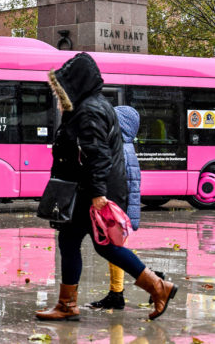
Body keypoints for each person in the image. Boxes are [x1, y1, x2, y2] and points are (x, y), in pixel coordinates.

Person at [36, 52, 178, 321]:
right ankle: (67, 304)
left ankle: (158, 287)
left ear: (75, 83)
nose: (58, 94)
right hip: (84, 191)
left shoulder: (89, 110)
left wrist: (98, 194)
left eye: (62, 87)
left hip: (89, 193)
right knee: (71, 240)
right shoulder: (88, 107)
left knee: (104, 246)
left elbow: (97, 154)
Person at [89, 106, 165, 310]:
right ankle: (117, 294)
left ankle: (153, 280)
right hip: (120, 209)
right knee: (115, 251)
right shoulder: (125, 146)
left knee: (115, 251)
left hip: (117, 209)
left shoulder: (120, 148)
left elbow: (124, 184)